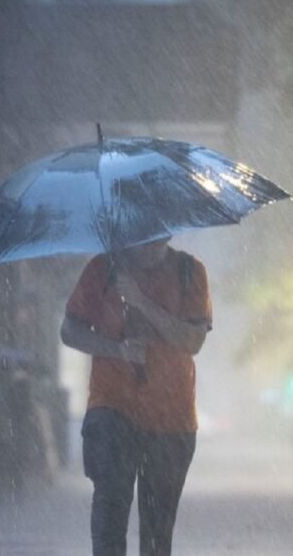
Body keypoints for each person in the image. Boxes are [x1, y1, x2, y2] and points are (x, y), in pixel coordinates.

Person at [61, 237, 212, 556]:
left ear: (168, 233)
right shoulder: (103, 269)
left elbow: (193, 340)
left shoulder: (189, 271)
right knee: (109, 517)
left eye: (157, 236)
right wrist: (116, 350)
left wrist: (141, 301)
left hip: (172, 417)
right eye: (141, 236)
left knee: (158, 531)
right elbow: (70, 331)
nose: (149, 245)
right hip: (112, 408)